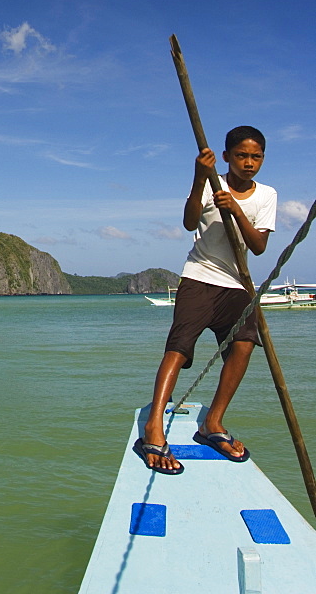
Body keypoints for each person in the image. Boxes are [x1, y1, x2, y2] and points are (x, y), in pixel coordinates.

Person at [134, 125, 277, 475]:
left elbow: (258, 247)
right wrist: (200, 177)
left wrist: (237, 211)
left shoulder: (267, 195)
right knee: (178, 347)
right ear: (226, 157)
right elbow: (187, 223)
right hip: (199, 277)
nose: (249, 163)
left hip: (237, 282)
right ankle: (154, 426)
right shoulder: (213, 183)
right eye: (241, 155)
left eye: (255, 156)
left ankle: (212, 422)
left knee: (244, 345)